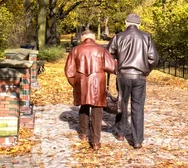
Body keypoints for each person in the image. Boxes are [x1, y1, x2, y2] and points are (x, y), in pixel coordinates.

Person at [107, 13, 159, 149]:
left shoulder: (118, 37)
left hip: (123, 76)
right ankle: (137, 140)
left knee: (121, 103)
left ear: (126, 23)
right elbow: (154, 58)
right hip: (139, 77)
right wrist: (146, 71)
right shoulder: (146, 37)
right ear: (139, 24)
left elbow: (108, 55)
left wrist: (115, 68)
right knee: (138, 107)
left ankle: (120, 133)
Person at [64, 29, 116, 150]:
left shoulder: (75, 50)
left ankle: (83, 134)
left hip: (81, 82)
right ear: (93, 38)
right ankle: (96, 141)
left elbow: (69, 72)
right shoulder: (101, 49)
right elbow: (111, 67)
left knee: (84, 106)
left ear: (82, 38)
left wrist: (76, 84)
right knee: (97, 110)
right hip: (98, 83)